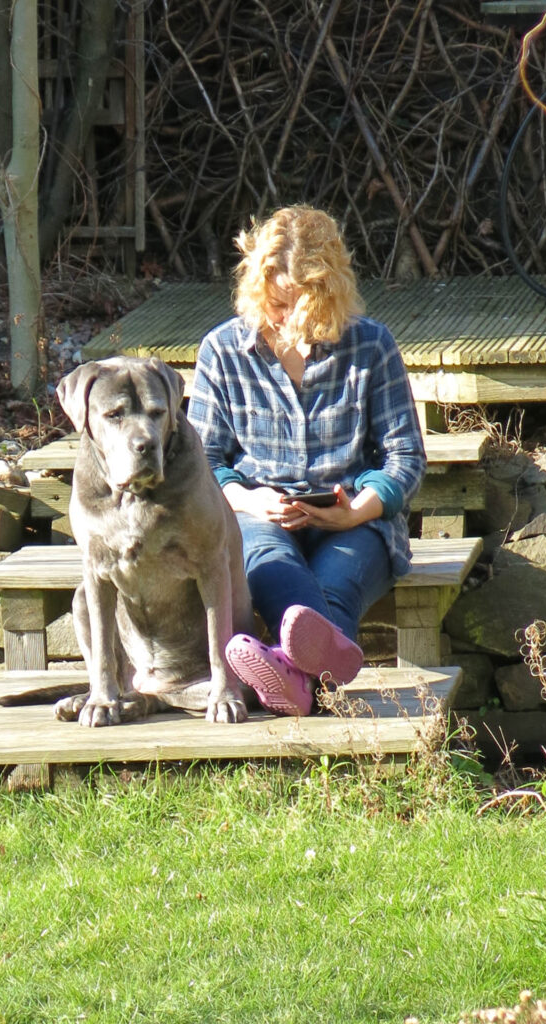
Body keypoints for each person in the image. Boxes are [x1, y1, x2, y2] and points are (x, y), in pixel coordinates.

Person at [186, 205, 427, 717]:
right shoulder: (222, 351)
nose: (288, 318)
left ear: (330, 293)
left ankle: (291, 676)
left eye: (303, 305)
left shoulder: (372, 345)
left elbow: (405, 457)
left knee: (335, 584)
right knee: (269, 565)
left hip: (358, 522)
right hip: (258, 517)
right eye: (277, 303)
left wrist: (356, 511)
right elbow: (201, 461)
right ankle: (316, 682)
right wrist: (249, 499)